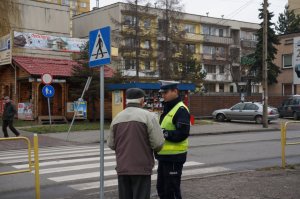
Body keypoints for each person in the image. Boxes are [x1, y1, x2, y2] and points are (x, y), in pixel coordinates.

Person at [108, 88, 165, 199]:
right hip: (141, 168)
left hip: (122, 168)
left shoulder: (117, 118)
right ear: (142, 101)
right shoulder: (148, 116)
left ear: (126, 101)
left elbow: (111, 144)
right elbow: (158, 143)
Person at [155, 80, 191, 199]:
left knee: (172, 190)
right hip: (164, 156)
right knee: (162, 189)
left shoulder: (180, 109)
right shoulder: (168, 108)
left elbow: (182, 133)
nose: (163, 95)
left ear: (175, 91)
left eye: (165, 92)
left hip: (174, 158)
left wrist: (163, 133)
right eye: (162, 93)